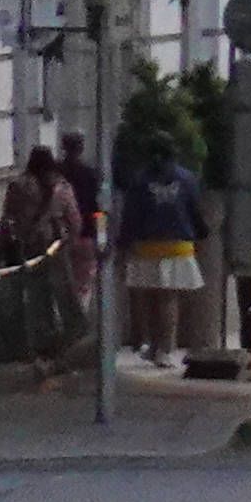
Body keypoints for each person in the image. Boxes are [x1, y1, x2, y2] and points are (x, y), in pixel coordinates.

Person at [122, 147, 209, 366]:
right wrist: (202, 232)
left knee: (150, 297)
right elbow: (195, 210)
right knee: (169, 298)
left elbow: (130, 214)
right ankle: (166, 349)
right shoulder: (187, 178)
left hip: (146, 245)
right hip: (178, 246)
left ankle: (153, 345)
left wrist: (123, 241)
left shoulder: (140, 180)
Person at [0, 144, 86, 291]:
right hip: (54, 249)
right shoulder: (62, 188)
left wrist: (0, 246)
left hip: (25, 248)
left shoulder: (18, 186)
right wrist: (68, 244)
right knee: (60, 294)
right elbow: (75, 223)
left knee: (32, 295)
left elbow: (7, 219)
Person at [55, 130, 105, 303]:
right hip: (86, 237)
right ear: (81, 149)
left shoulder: (55, 173)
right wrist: (103, 239)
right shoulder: (92, 175)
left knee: (60, 286)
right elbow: (99, 210)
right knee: (83, 288)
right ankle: (79, 320)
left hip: (58, 239)